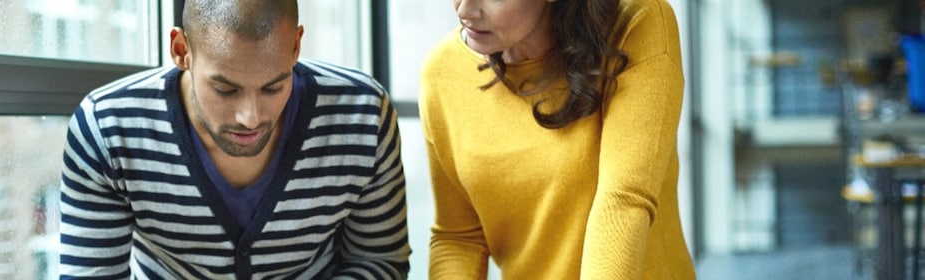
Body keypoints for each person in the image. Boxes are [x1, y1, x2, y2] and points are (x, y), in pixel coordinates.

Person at [59, 0, 410, 278]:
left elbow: (380, 262)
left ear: (295, 46)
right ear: (181, 50)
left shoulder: (363, 115)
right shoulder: (107, 128)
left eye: (274, 86)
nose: (251, 117)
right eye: (225, 89)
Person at [419, 0, 694, 278]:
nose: (464, 10)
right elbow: (460, 239)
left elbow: (623, 201)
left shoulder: (636, 24)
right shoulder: (442, 74)